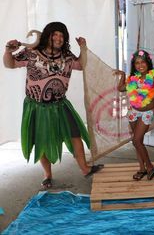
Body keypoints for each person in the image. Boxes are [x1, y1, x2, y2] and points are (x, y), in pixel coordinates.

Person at [3, 22, 103, 188]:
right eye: (55, 34)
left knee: (75, 133)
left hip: (60, 105)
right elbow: (10, 64)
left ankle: (85, 169)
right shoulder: (31, 52)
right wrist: (8, 51)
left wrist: (83, 48)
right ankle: (47, 174)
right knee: (41, 140)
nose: (59, 38)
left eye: (62, 36)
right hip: (37, 106)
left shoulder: (66, 55)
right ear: (47, 36)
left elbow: (81, 65)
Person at [114, 50, 154, 180]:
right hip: (133, 112)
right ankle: (142, 169)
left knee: (136, 140)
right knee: (138, 142)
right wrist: (122, 74)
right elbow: (120, 88)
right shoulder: (133, 78)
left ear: (148, 62)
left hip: (147, 113)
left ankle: (149, 166)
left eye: (143, 62)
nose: (140, 65)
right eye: (137, 63)